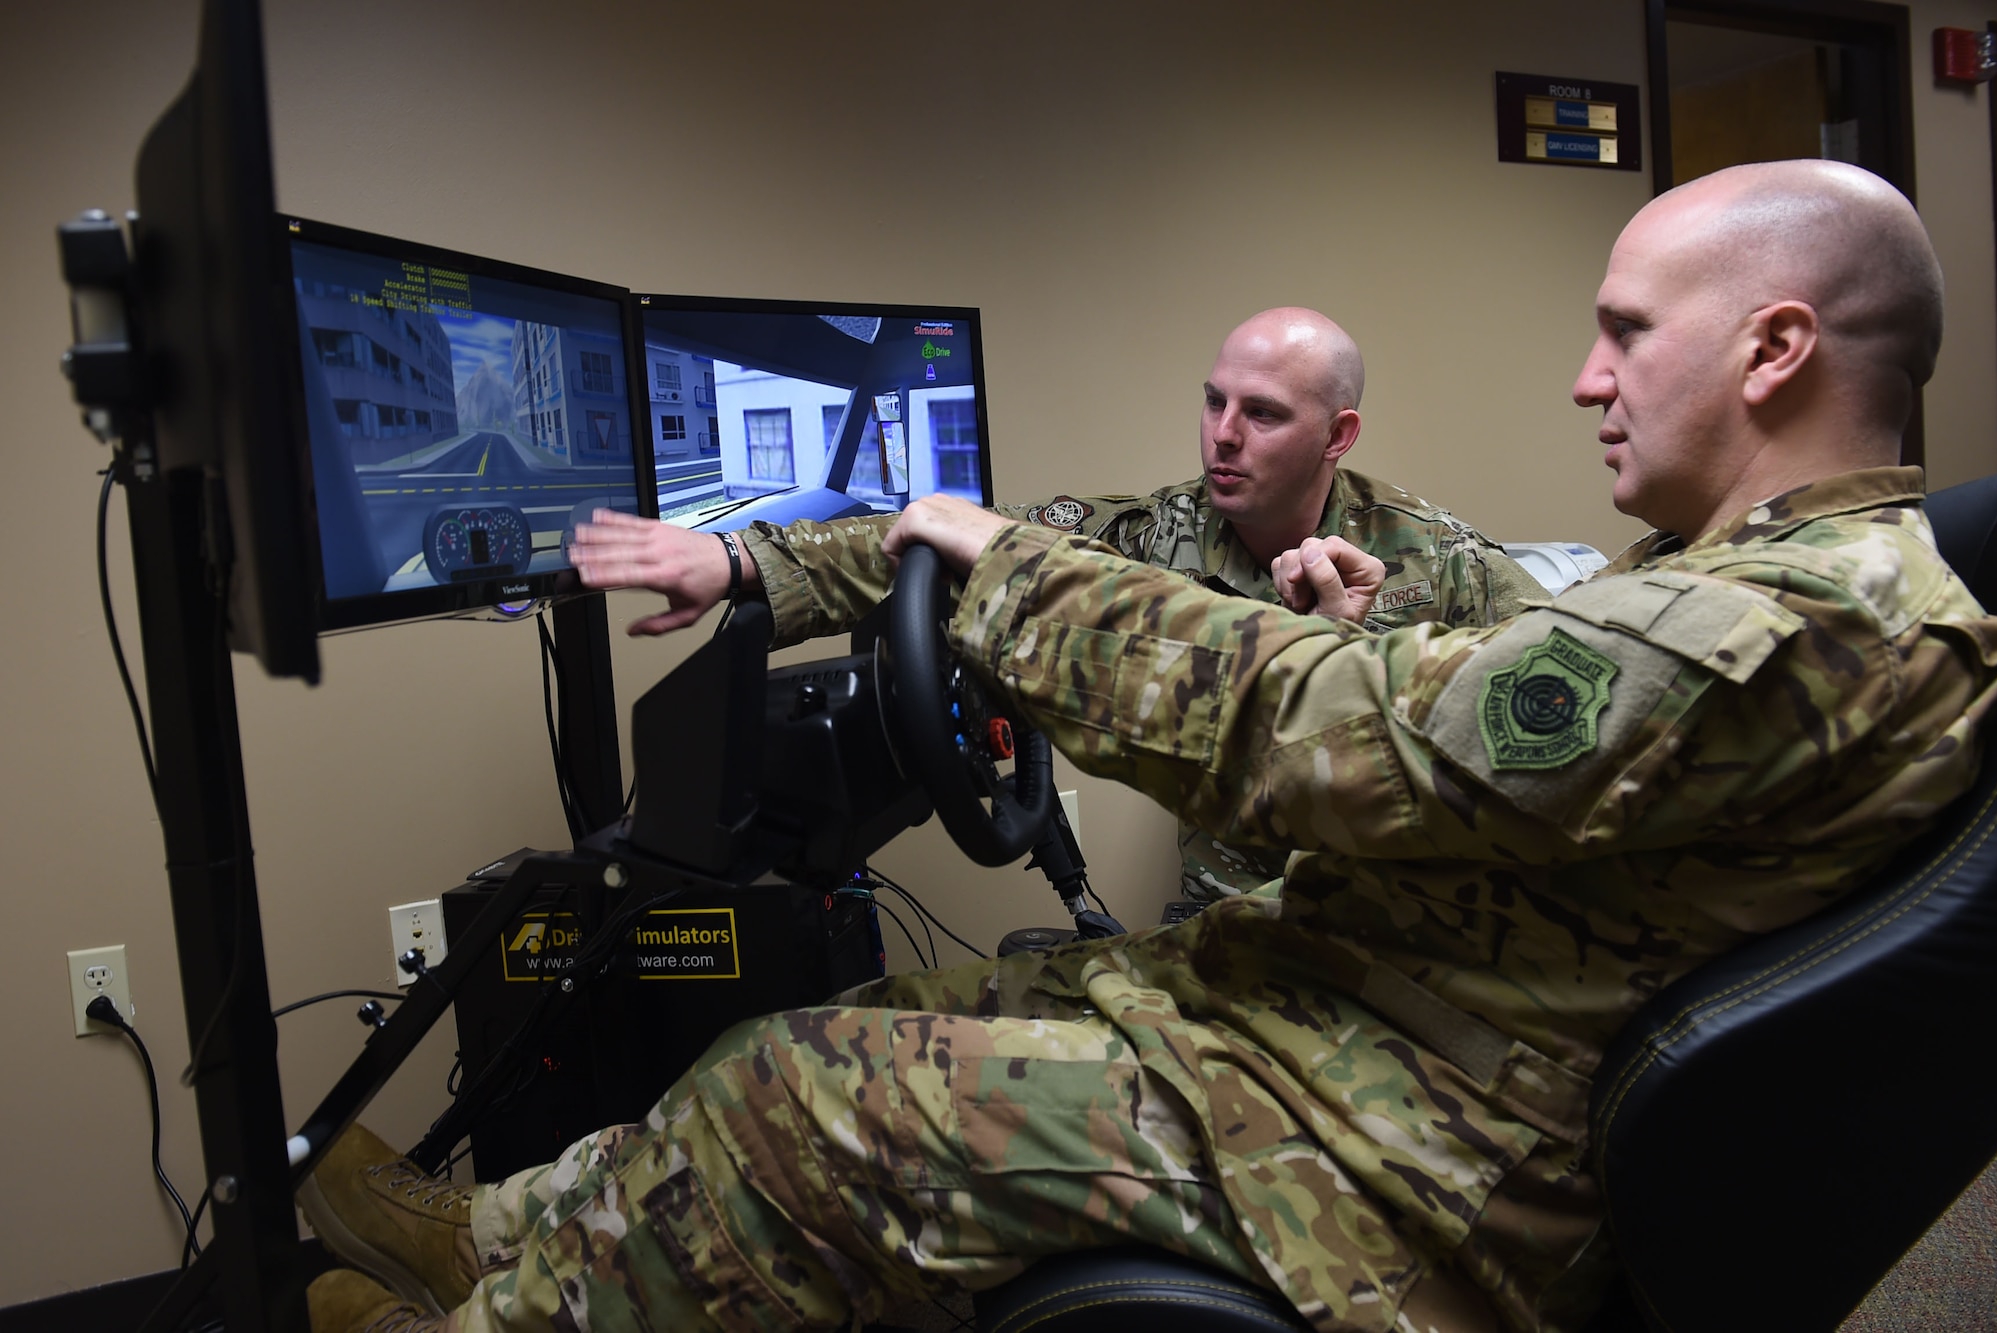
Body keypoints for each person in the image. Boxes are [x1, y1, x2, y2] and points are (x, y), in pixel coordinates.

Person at [301, 160, 1997, 1333]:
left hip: (1412, 1153)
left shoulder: (1792, 622)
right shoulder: (1758, 588)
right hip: (1369, 1015)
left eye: (1625, 331)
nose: (1584, 377)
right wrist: (768, 560)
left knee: (805, 1090)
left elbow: (1325, 737)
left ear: (1777, 346)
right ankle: (508, 1236)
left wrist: (1024, 581)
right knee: (893, 1005)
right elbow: (1480, 741)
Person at [575, 305, 1548, 901]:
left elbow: (1554, 717)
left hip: (1372, 930)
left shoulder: (1438, 563)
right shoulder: (1151, 537)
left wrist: (1359, 651)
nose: (1220, 435)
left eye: (1259, 415)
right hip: (1213, 927)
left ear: (1336, 435)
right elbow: (951, 536)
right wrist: (739, 560)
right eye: (1212, 401)